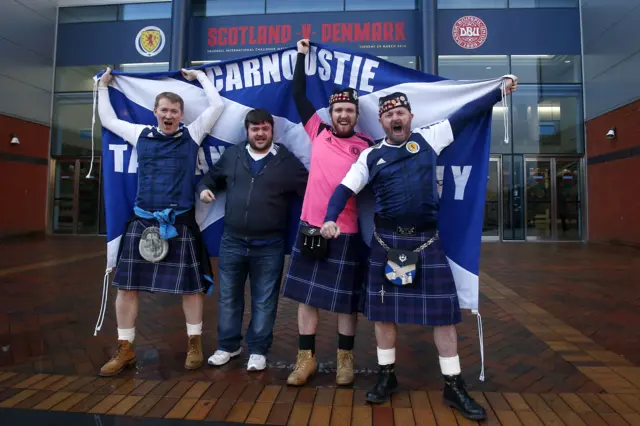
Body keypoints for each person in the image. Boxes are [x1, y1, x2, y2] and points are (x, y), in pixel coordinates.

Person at [320, 78, 518, 420]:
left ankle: (454, 385)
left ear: (410, 116)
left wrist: (497, 91)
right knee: (383, 315)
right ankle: (387, 376)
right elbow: (343, 189)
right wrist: (329, 217)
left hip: (427, 242)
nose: (395, 118)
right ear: (381, 122)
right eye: (389, 115)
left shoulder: (430, 137)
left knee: (443, 316)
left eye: (400, 112)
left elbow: (468, 112)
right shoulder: (371, 155)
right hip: (387, 242)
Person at [97, 66, 225, 376]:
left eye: (175, 111)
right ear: (155, 111)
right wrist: (102, 87)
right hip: (142, 222)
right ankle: (126, 348)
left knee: (191, 289)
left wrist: (201, 79)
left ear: (181, 114)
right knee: (126, 288)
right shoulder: (139, 133)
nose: (169, 115)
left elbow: (217, 106)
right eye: (164, 110)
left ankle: (194, 343)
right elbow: (108, 120)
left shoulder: (192, 133)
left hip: (179, 223)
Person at [280, 39, 374, 387]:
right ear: (330, 114)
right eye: (338, 110)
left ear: (355, 114)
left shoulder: (367, 147)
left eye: (349, 110)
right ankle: (306, 359)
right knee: (307, 298)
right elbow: (299, 94)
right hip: (311, 228)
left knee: (346, 303)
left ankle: (344, 361)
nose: (344, 114)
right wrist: (302, 56)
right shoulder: (317, 132)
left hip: (347, 233)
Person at [198, 108, 308, 371]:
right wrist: (204, 190)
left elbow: (309, 192)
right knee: (228, 298)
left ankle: (258, 350)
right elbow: (209, 179)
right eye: (255, 128)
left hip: (270, 245)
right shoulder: (233, 154)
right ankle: (228, 346)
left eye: (265, 128)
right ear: (247, 131)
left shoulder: (286, 160)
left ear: (272, 131)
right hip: (232, 241)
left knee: (264, 299)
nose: (260, 133)